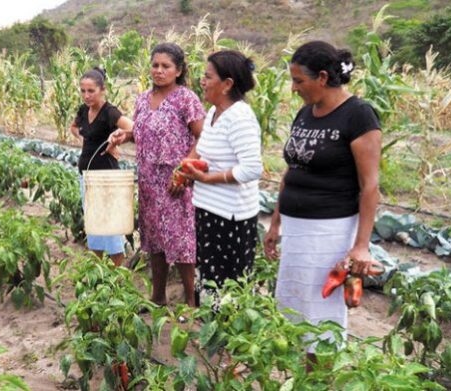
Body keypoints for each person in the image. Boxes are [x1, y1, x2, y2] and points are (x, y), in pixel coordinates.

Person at [262, 41, 381, 363]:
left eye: (299, 81)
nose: (293, 88)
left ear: (323, 77)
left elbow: (370, 186)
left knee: (321, 311)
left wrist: (361, 246)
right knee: (294, 303)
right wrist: (276, 223)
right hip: (297, 227)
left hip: (330, 229)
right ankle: (302, 374)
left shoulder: (358, 115)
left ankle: (320, 376)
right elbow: (291, 169)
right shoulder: (305, 114)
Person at [108, 43, 205, 307]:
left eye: (166, 66)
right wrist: (124, 135)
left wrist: (184, 171)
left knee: (183, 241)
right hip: (149, 180)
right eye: (155, 65)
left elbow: (202, 136)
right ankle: (157, 297)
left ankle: (191, 302)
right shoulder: (142, 99)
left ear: (178, 70)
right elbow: (140, 134)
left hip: (176, 182)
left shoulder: (186, 98)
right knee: (154, 241)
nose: (159, 71)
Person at [176, 50, 262, 306]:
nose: (202, 81)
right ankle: (213, 333)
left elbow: (252, 169)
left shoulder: (240, 117)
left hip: (231, 217)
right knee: (211, 280)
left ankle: (228, 338)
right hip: (209, 210)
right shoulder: (214, 112)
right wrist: (186, 171)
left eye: (207, 76)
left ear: (227, 84)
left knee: (229, 287)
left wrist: (206, 178)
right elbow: (202, 147)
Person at [69, 67, 134, 267]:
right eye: (83, 91)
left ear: (102, 90)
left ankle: (117, 274)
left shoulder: (109, 112)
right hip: (86, 176)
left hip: (106, 177)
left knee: (111, 226)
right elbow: (73, 127)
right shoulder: (83, 110)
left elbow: (132, 127)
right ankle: (97, 271)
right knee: (94, 226)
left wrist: (115, 142)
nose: (86, 95)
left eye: (91, 91)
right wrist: (86, 139)